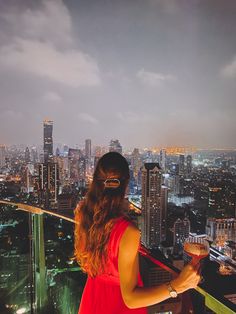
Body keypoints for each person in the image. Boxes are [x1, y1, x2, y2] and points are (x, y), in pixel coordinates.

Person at [74, 152, 200, 313]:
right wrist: (178, 285)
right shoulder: (127, 232)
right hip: (117, 308)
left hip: (92, 302)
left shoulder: (83, 214)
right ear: (126, 184)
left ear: (96, 181)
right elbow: (131, 299)